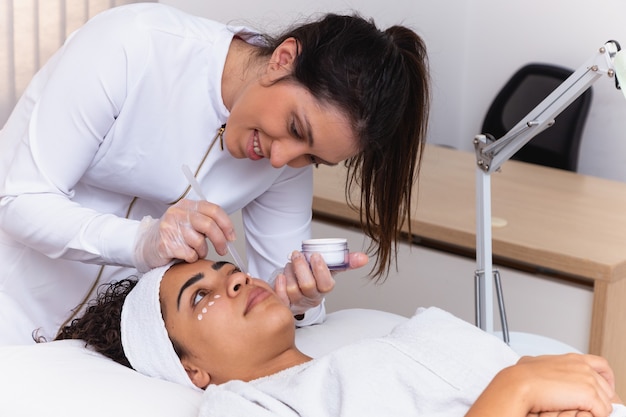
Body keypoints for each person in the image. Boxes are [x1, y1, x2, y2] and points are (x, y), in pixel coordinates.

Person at [0, 3, 430, 344]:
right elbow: (18, 199)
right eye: (296, 129)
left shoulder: (284, 160)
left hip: (97, 346)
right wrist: (140, 241)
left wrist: (300, 301)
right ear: (283, 59)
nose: (282, 160)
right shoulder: (135, 46)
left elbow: (272, 289)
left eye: (313, 158)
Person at [57, 260, 624, 417]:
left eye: (227, 269)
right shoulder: (245, 406)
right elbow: (515, 386)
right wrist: (516, 387)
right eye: (199, 297)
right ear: (191, 370)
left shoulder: (401, 336)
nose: (233, 278)